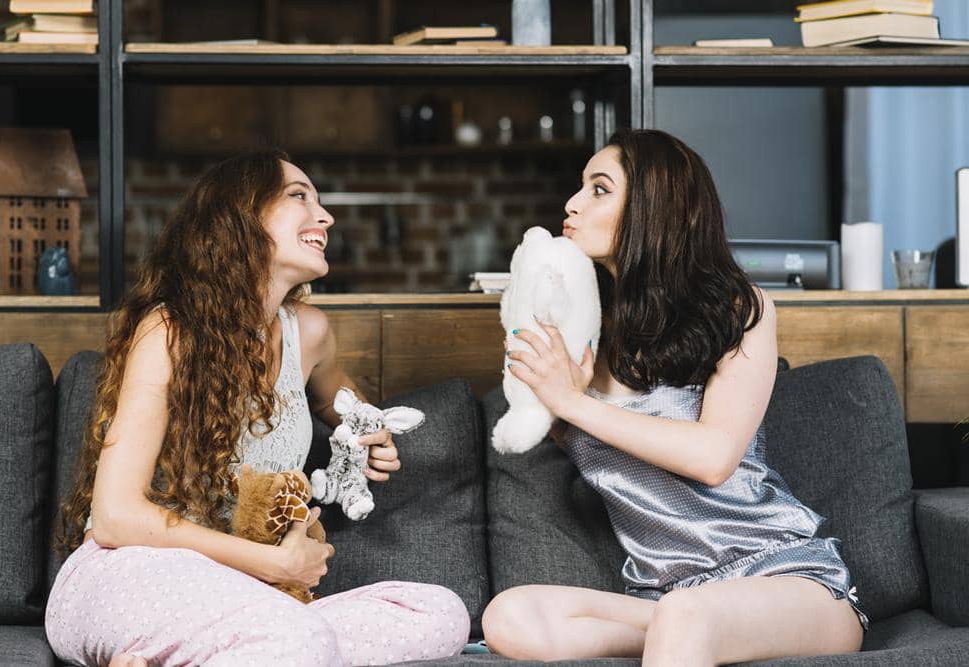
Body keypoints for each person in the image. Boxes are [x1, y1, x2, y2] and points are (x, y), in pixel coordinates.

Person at [45, 150, 470, 667]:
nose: (326, 216)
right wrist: (275, 564)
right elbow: (115, 516)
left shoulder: (308, 333)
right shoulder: (170, 332)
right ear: (241, 216)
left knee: (438, 613)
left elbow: (342, 399)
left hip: (241, 600)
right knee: (296, 640)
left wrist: (370, 431)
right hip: (123, 576)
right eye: (298, 196)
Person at [482, 129, 867, 666]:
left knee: (687, 614)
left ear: (651, 207)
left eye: (598, 189)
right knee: (510, 617)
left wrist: (572, 404)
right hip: (664, 598)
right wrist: (551, 399)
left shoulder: (740, 309)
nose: (571, 204)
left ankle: (691, 632)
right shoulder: (586, 341)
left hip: (782, 576)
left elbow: (713, 459)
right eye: (581, 187)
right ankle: (685, 637)